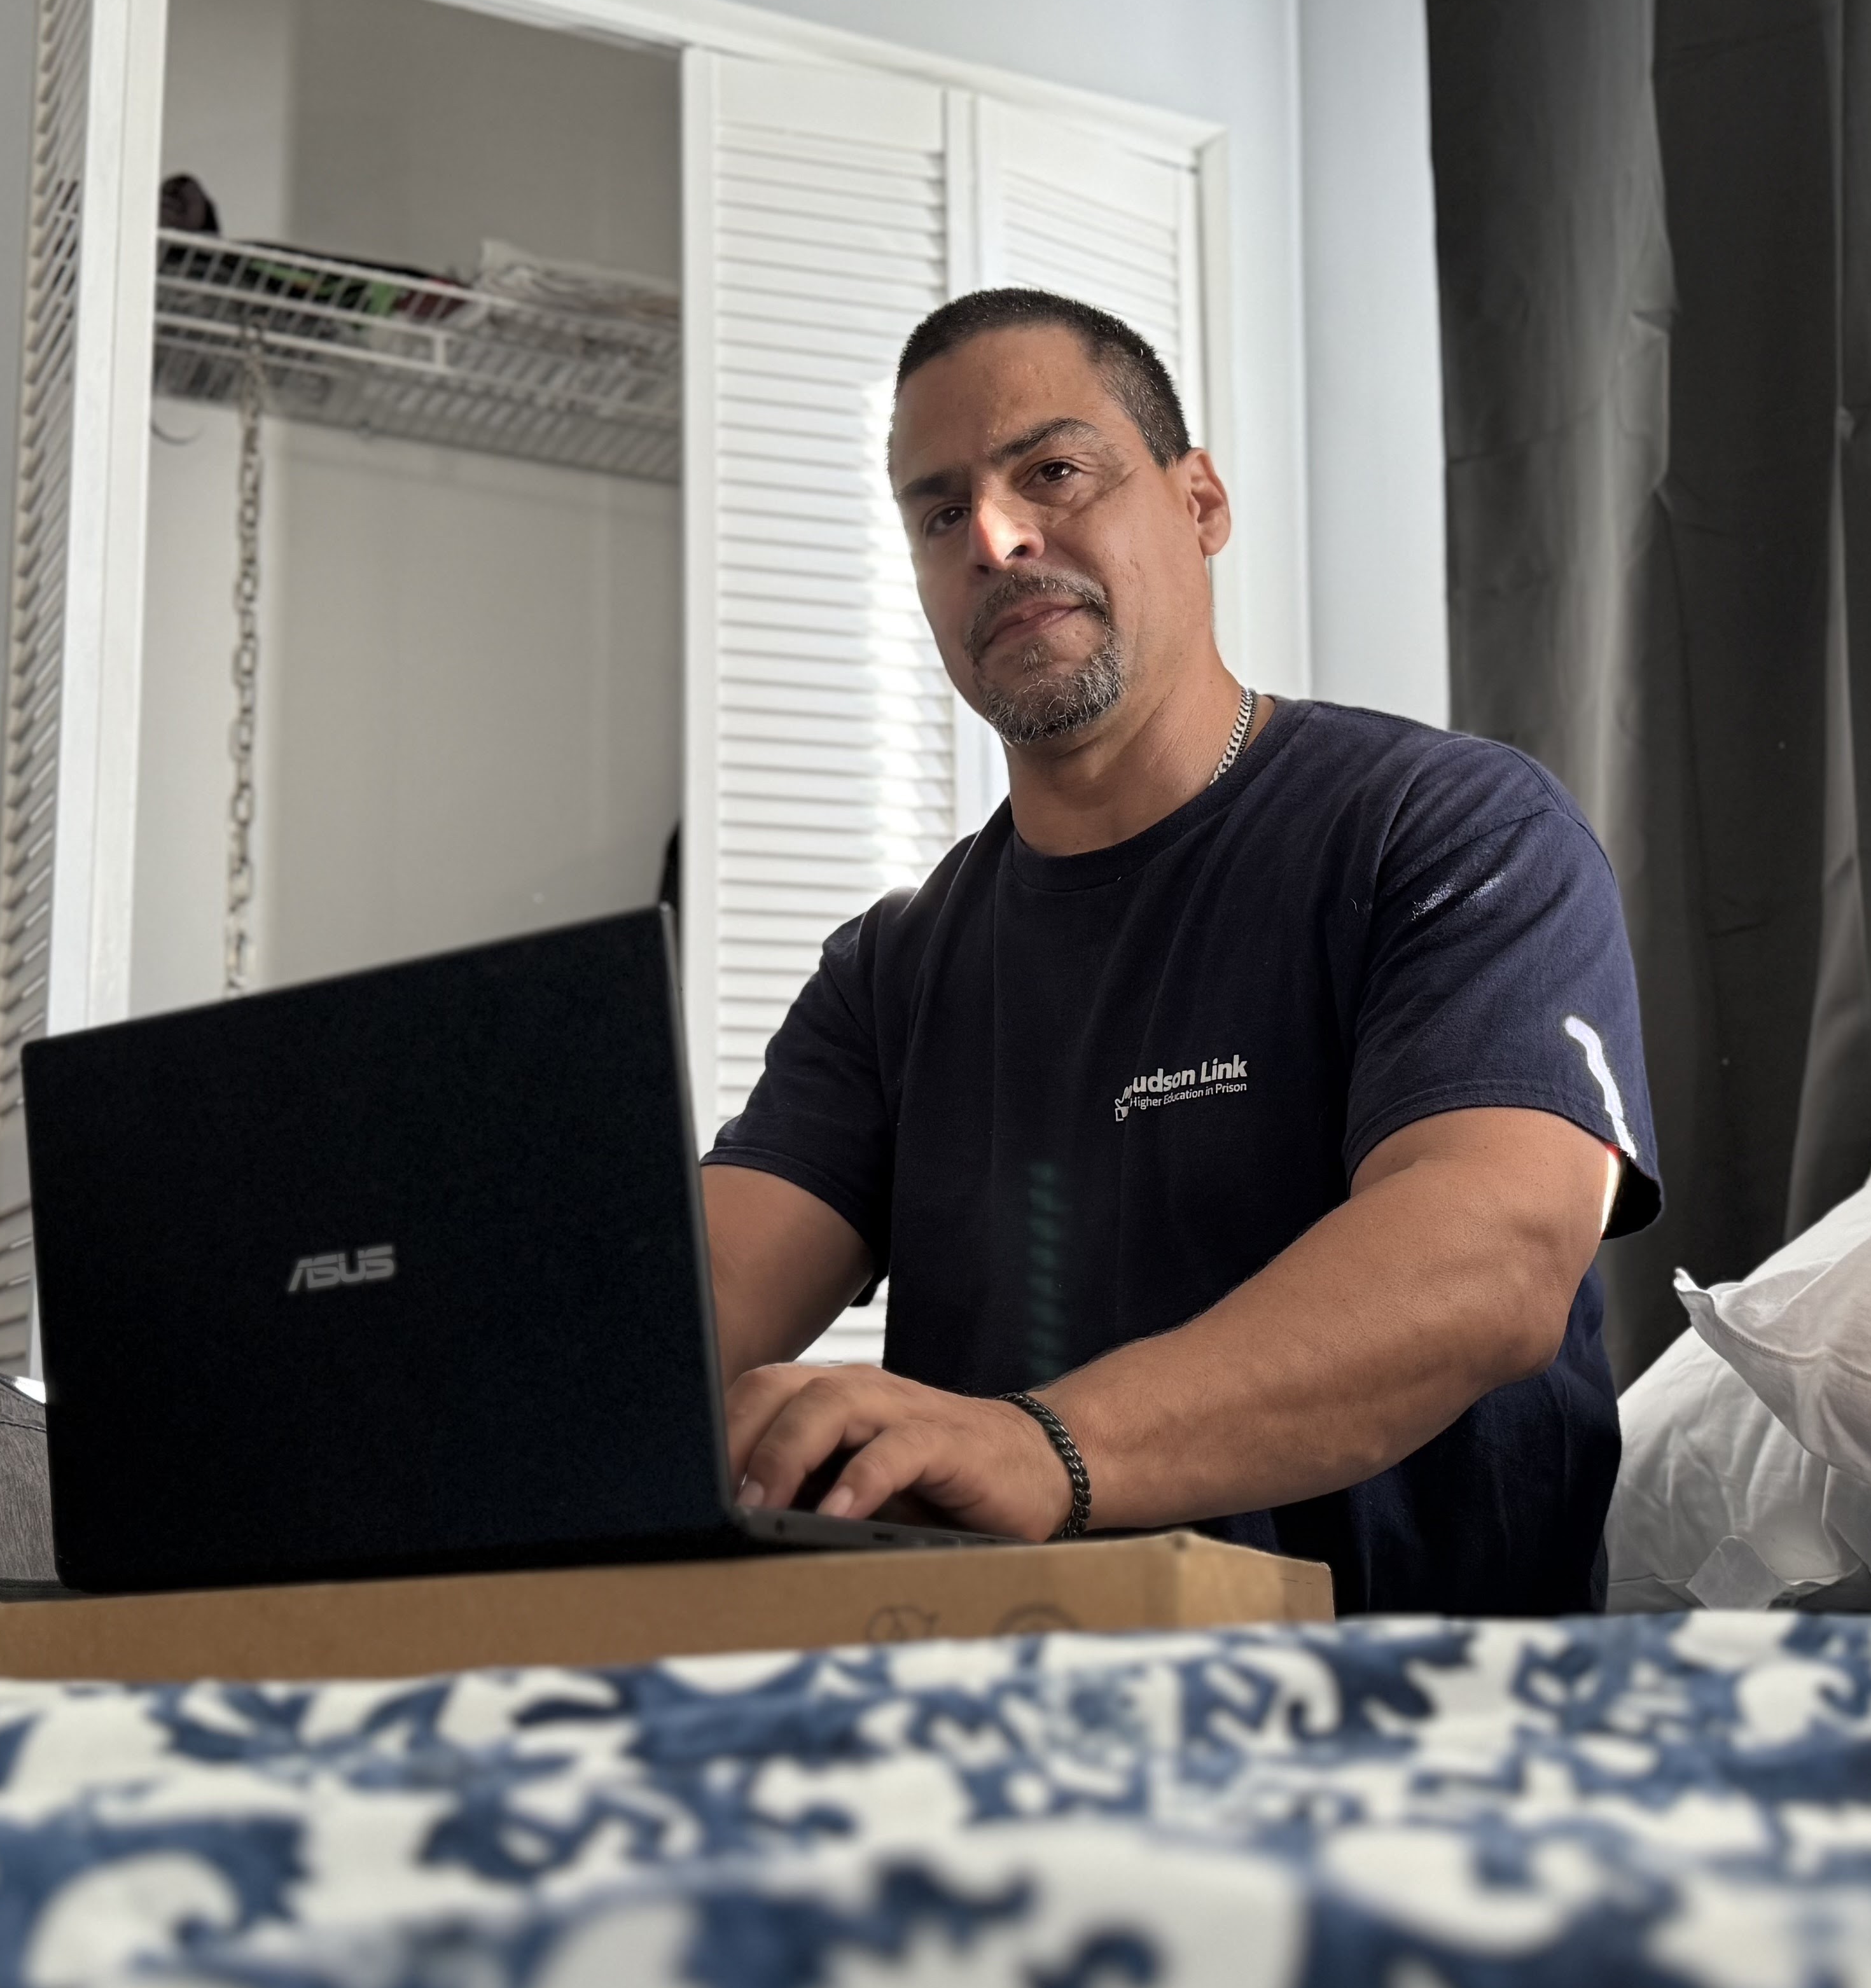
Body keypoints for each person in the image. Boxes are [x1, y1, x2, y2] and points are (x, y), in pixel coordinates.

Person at [700, 288, 1660, 1615]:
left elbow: (1491, 1256)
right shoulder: (890, 971)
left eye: (1052, 471)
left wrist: (1047, 1450)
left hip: (1410, 1694)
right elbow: (695, 1306)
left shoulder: (1452, 830)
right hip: (995, 1685)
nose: (996, 538)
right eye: (939, 514)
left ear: (1199, 501)